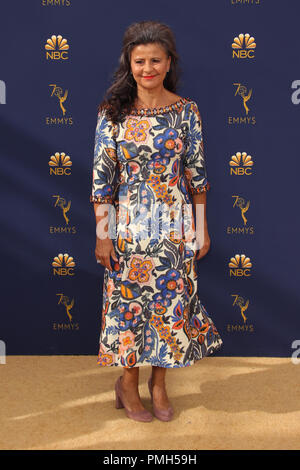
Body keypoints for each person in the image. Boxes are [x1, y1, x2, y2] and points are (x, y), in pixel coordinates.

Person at [90, 20, 223, 422]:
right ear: (129, 63)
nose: (147, 68)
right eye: (139, 60)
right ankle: (127, 385)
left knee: (169, 308)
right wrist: (103, 235)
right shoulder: (112, 113)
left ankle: (158, 384)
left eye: (155, 60)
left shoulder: (186, 112)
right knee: (128, 309)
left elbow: (197, 176)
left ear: (169, 63)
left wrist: (201, 228)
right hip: (129, 227)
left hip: (174, 228)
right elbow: (102, 181)